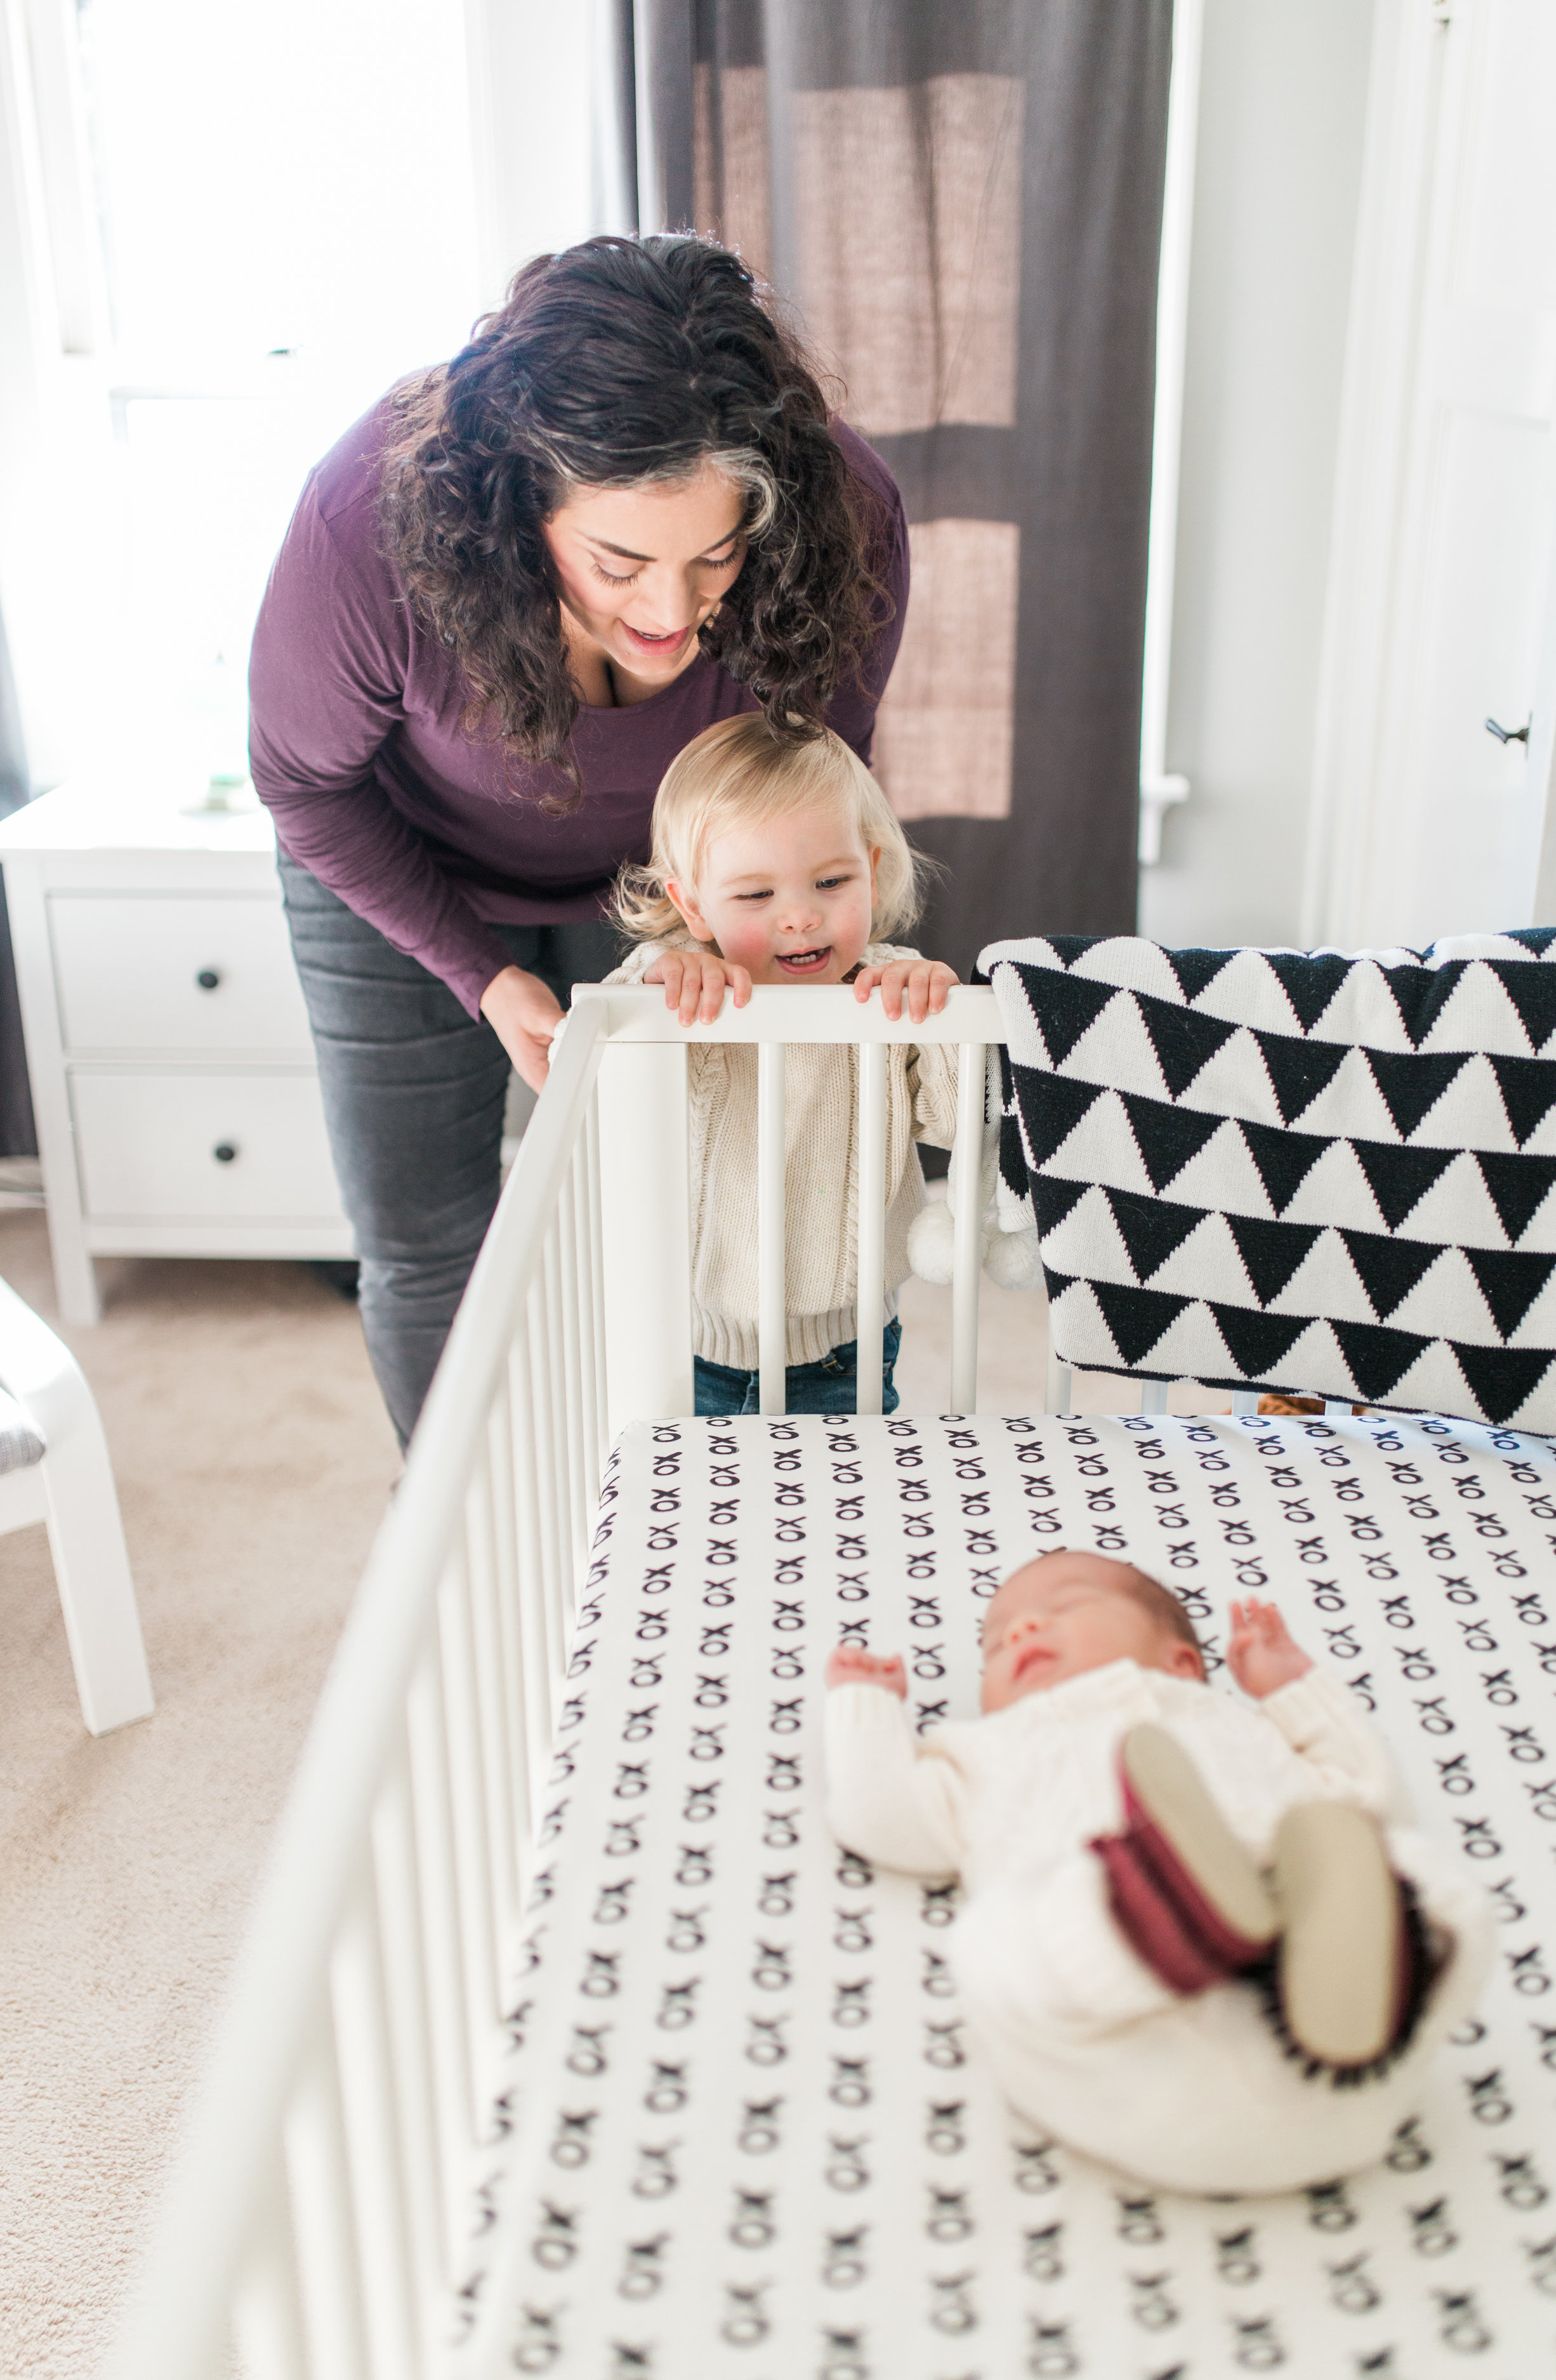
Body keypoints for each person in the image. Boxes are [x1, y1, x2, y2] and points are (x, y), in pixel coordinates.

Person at [248, 235, 908, 1445]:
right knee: (431, 1237)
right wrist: (483, 976)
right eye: (619, 564)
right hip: (404, 865)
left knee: (694, 1215)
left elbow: (818, 781)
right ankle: (460, 1534)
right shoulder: (369, 520)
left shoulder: (845, 514)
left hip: (685, 891)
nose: (672, 613)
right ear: (514, 502)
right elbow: (303, 784)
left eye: (718, 555)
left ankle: (641, 1502)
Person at [824, 1550, 1492, 2195]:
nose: (1021, 1630)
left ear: (1182, 1663)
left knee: (1419, 1876)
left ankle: (1269, 1930)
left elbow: (1362, 1796)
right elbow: (885, 1816)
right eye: (995, 1645)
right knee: (998, 1945)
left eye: (1066, 1605)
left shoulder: (1233, 1722)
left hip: (1339, 2043)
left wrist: (1290, 1688)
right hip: (1126, 2060)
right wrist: (868, 1709)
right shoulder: (978, 1752)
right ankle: (1146, 1915)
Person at [603, 712, 958, 1415]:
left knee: (839, 1515)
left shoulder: (887, 994)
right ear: (694, 906)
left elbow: (958, 1126)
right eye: (757, 895)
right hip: (688, 1340)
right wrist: (652, 985)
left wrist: (941, 1017)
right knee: (699, 1518)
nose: (798, 916)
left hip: (845, 1346)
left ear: (872, 870)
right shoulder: (677, 992)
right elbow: (597, 1088)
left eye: (830, 882)